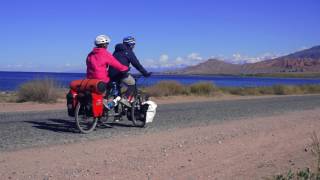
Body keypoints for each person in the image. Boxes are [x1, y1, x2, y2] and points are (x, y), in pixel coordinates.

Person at [86, 35, 128, 108]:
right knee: (113, 86)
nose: (107, 45)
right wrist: (125, 68)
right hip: (102, 79)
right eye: (107, 44)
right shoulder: (105, 53)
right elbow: (115, 64)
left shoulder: (90, 54)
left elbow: (87, 63)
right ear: (104, 44)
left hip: (90, 79)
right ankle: (107, 103)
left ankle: (101, 102)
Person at [109, 36, 151, 107]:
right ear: (130, 44)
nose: (134, 46)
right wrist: (145, 73)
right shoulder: (128, 51)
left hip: (111, 74)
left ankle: (117, 117)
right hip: (121, 73)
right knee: (132, 83)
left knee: (117, 96)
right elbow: (137, 64)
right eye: (133, 44)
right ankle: (125, 98)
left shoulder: (116, 51)